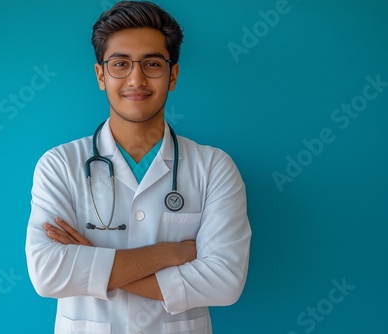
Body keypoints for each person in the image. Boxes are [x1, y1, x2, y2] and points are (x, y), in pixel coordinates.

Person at [25, 1, 251, 333]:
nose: (136, 78)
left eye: (152, 64)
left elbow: (224, 282)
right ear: (101, 75)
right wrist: (166, 253)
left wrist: (92, 260)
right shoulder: (59, 165)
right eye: (120, 64)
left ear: (172, 75)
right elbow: (47, 274)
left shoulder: (214, 167)